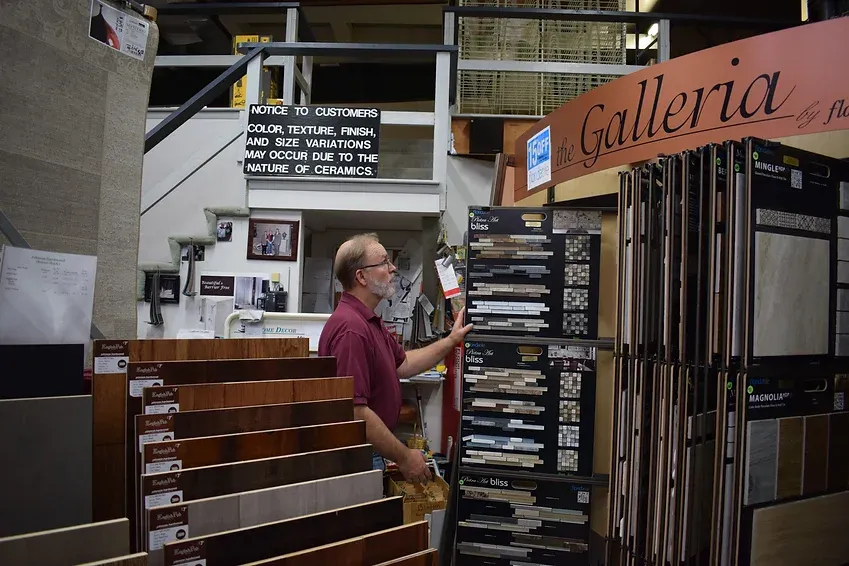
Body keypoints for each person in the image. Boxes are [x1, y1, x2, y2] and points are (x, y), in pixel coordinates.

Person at [318, 233, 472, 484]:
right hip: (358, 457)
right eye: (384, 262)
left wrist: (452, 340)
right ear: (361, 277)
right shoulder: (351, 330)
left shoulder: (368, 321)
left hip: (370, 452)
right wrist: (404, 457)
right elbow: (356, 412)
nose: (393, 268)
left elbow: (404, 364)